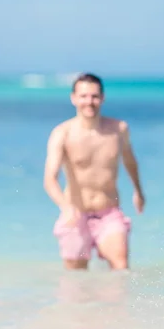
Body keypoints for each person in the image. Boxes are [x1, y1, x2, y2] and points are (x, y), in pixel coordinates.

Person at [43, 73, 145, 271]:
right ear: (73, 98)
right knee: (75, 277)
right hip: (75, 213)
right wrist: (65, 208)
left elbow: (130, 161)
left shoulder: (118, 129)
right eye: (83, 96)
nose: (89, 101)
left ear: (102, 98)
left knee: (121, 267)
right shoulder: (62, 133)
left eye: (94, 96)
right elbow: (50, 179)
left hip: (109, 213)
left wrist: (138, 191)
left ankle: (116, 303)